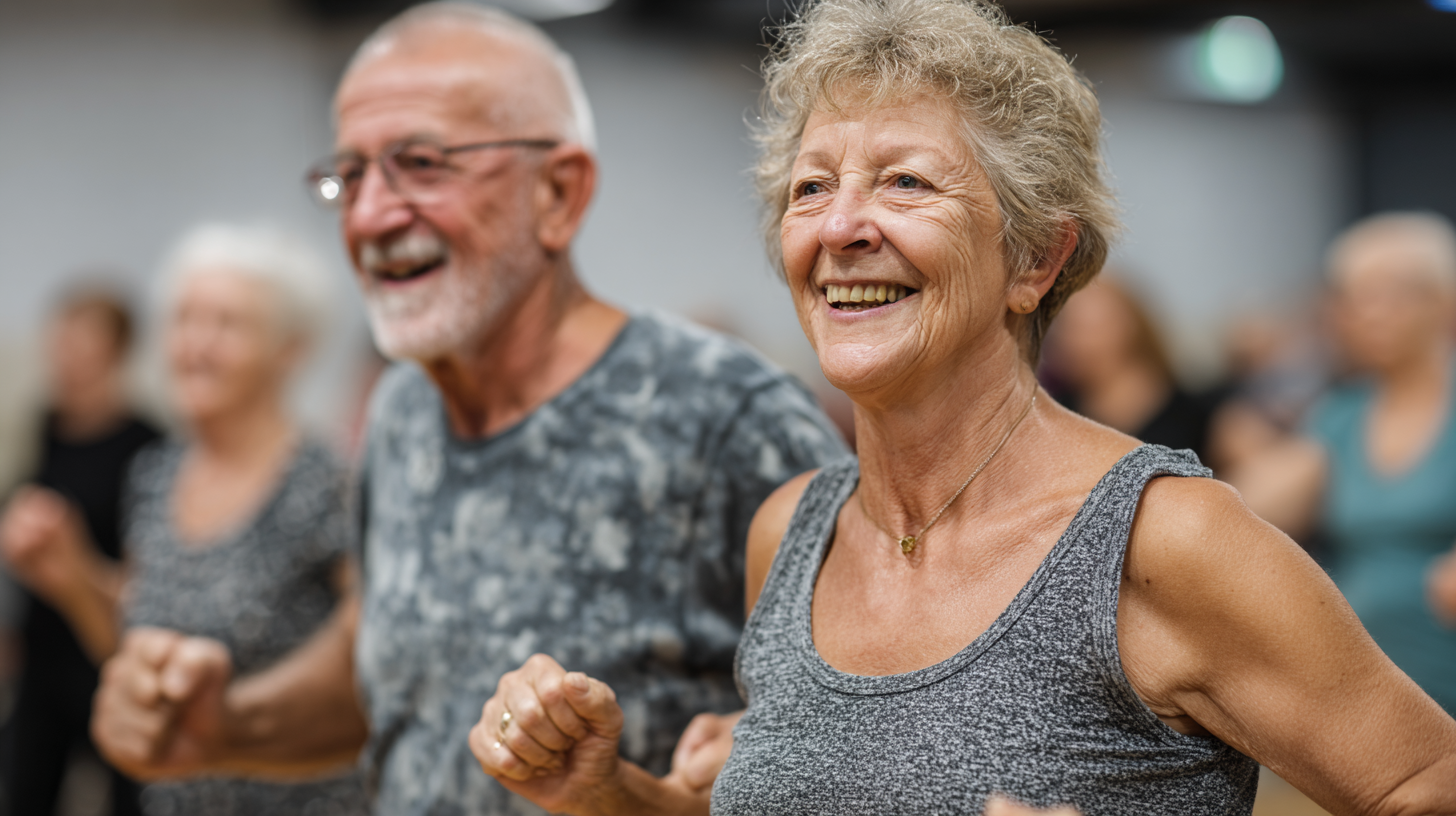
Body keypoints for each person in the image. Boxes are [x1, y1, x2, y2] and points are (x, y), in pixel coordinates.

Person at [471, 2, 1456, 814]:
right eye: (811, 189)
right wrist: (611, 795)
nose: (841, 225)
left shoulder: (1165, 542)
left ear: (1036, 260)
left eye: (905, 182)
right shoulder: (791, 533)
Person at [89, 6, 847, 815]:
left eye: (421, 164)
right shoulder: (402, 413)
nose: (370, 217)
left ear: (558, 193)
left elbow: (869, 729)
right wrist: (230, 726)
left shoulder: (725, 415)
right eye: (350, 176)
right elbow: (390, 672)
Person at [13, 225, 369, 815]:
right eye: (184, 320)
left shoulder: (329, 484)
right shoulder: (154, 472)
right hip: (175, 797)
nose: (196, 345)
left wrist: (233, 724)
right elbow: (135, 636)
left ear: (289, 348)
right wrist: (72, 575)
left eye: (228, 324)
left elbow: (368, 668)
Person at [1232, 211, 1456, 714]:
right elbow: (1255, 504)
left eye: (1390, 294)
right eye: (1354, 299)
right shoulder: (1341, 414)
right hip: (1370, 685)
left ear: (1444, 301)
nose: (1369, 314)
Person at [1, 286, 159, 816]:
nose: (67, 353)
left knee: (128, 794)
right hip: (41, 648)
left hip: (103, 649)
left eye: (82, 340)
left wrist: (75, 563)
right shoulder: (42, 425)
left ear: (116, 351)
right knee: (26, 789)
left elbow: (148, 572)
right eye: (61, 338)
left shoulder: (146, 445)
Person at [1043, 277, 1222, 467]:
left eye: (1084, 326)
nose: (1072, 341)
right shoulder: (1052, 419)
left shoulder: (1204, 418)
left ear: (1129, 323)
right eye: (1062, 327)